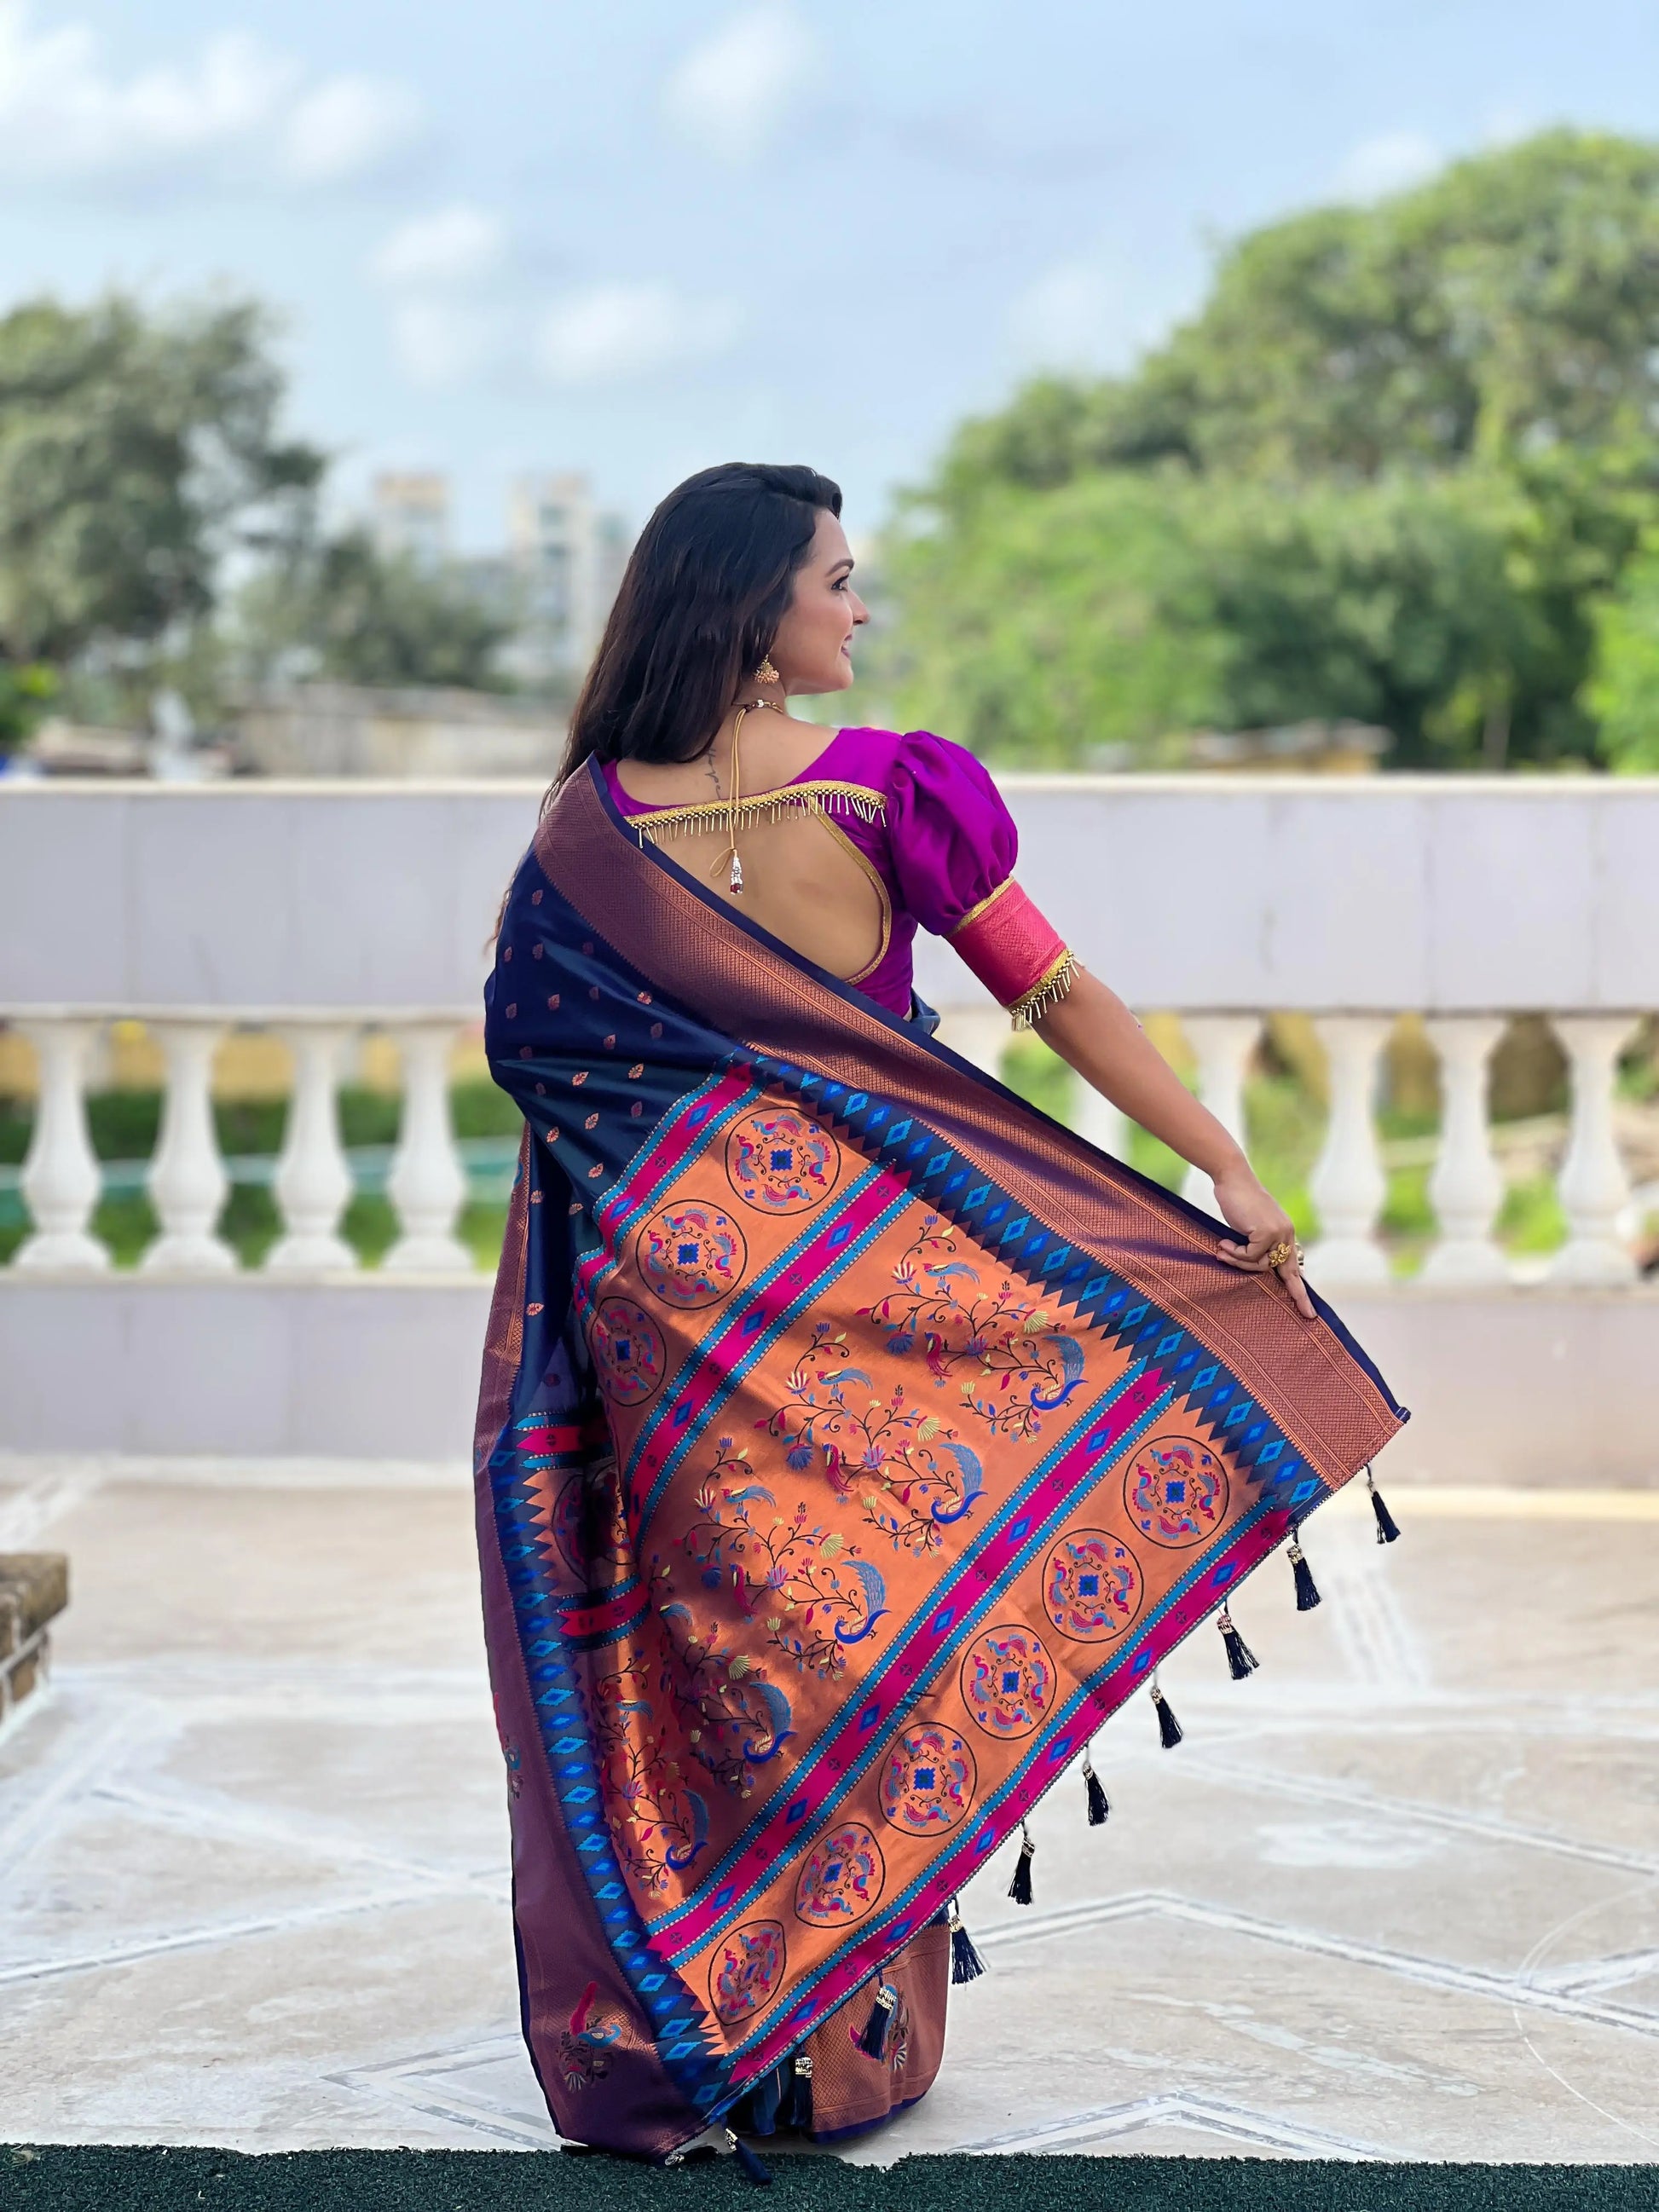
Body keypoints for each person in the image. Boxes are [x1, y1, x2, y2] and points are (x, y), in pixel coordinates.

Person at [475, 462, 1405, 2167]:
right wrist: (1217, 1164)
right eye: (836, 577)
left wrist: (697, 1225)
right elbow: (1053, 991)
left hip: (685, 1335)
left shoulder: (587, 835)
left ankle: (736, 2030)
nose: (858, 604)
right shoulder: (889, 791)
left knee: (735, 1657)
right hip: (887, 1310)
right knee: (872, 1653)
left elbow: (534, 1054)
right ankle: (836, 2047)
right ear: (753, 606)